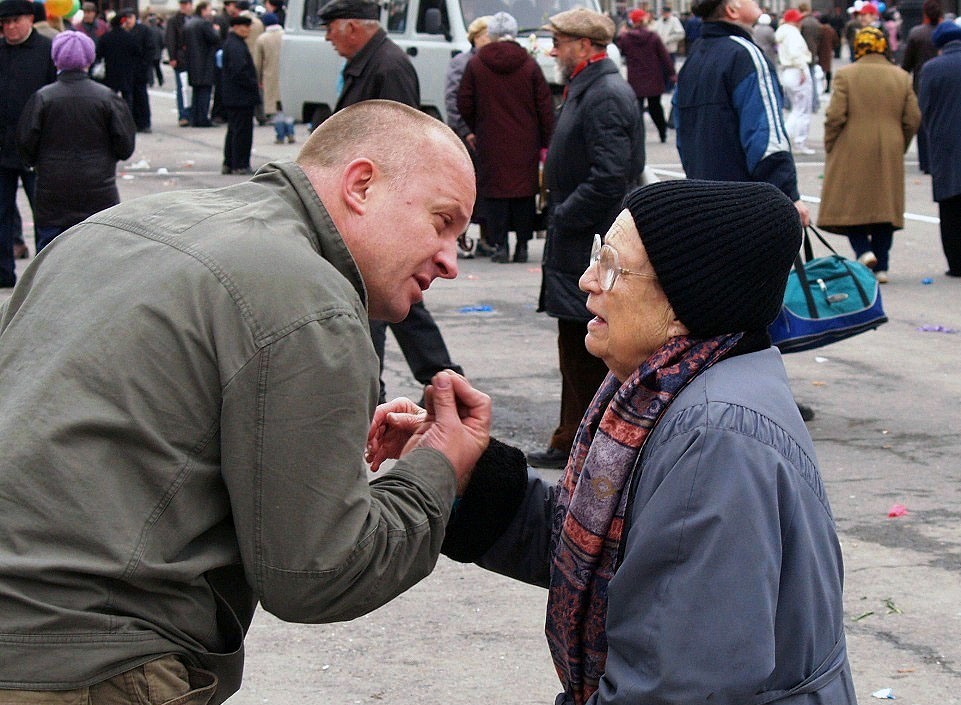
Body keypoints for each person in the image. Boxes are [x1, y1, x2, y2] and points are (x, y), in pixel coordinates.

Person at [0, 100, 489, 705]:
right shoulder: (311, 301)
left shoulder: (114, 229)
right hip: (87, 668)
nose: (450, 260)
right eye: (443, 222)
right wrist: (437, 467)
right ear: (361, 184)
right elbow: (317, 575)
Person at [367, 179, 858, 705]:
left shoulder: (714, 442)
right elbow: (602, 548)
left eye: (611, 266)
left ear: (683, 301)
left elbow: (678, 688)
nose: (586, 280)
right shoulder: (666, 388)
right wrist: (465, 468)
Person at [318, 0, 465, 404]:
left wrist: (383, 197)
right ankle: (441, 378)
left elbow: (400, 141)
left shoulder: (388, 65)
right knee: (399, 296)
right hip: (364, 197)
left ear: (351, 27)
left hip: (377, 204)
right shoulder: (371, 62)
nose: (328, 37)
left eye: (330, 27)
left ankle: (373, 390)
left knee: (379, 295)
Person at [528, 7, 643, 469]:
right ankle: (572, 436)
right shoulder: (588, 88)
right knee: (575, 344)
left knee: (587, 345)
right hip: (577, 236)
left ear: (584, 45)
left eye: (560, 42)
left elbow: (610, 175)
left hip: (587, 239)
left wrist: (564, 215)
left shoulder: (606, 93)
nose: (553, 51)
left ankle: (586, 439)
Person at [674, 0, 810, 227]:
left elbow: (682, 134)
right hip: (749, 204)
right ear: (732, 9)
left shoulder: (695, 57)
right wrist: (789, 195)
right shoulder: (745, 55)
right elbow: (766, 138)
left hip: (704, 199)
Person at [817, 26, 919, 284]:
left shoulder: (846, 75)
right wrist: (900, 143)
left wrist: (830, 142)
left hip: (852, 145)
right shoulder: (901, 76)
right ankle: (882, 265)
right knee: (885, 208)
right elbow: (912, 118)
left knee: (850, 205)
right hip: (890, 146)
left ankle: (863, 250)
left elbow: (836, 115)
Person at [16, 30, 135, 250]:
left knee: (50, 257)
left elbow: (26, 144)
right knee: (97, 254)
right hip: (99, 190)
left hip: (52, 192)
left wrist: (38, 162)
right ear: (89, 60)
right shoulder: (107, 97)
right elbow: (125, 145)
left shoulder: (43, 97)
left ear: (56, 59)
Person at [457, 11, 553, 264]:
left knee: (495, 194)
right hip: (525, 140)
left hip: (490, 138)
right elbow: (544, 104)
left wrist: (475, 126)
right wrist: (546, 140)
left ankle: (500, 245)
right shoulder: (529, 64)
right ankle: (522, 245)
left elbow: (463, 101)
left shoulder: (476, 64)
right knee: (523, 193)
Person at [0, 0, 55, 288]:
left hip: (37, 150)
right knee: (1, 213)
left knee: (43, 215)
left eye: (15, 20)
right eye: (4, 22)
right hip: (2, 149)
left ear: (30, 19)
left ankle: (41, 278)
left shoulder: (46, 51)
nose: (9, 27)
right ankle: (2, 273)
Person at [444, 14, 494, 258]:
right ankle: (460, 235)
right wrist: (465, 131)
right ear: (475, 37)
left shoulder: (490, 61)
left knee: (485, 189)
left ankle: (486, 236)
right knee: (462, 188)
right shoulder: (462, 62)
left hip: (485, 135)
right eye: (485, 34)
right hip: (465, 137)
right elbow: (453, 101)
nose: (489, 39)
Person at [917, 20, 961, 277]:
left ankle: (956, 263)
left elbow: (923, 106)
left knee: (950, 206)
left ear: (940, 46)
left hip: (945, 143)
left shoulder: (933, 68)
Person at [616, 9, 675, 144]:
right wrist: (671, 74)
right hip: (653, 76)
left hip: (635, 78)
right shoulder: (653, 37)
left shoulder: (626, 38)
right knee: (655, 107)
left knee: (637, 109)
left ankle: (638, 137)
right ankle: (662, 132)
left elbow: (621, 50)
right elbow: (664, 57)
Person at [902, 0, 943, 174]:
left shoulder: (916, 34)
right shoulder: (944, 33)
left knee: (922, 122)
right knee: (941, 121)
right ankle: (938, 160)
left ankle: (925, 161)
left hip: (921, 83)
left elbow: (907, 63)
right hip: (942, 83)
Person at [220, 15, 260, 175]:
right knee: (241, 131)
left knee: (234, 130)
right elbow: (239, 71)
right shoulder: (236, 46)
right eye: (246, 26)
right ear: (237, 27)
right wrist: (252, 84)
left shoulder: (232, 43)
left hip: (234, 96)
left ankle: (229, 162)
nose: (249, 30)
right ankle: (240, 164)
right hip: (240, 96)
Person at [776, 8, 815, 155]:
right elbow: (795, 53)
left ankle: (785, 139)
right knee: (802, 110)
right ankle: (799, 142)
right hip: (797, 70)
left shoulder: (783, 33)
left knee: (796, 109)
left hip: (787, 71)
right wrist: (803, 69)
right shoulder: (792, 34)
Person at [96, 10, 141, 119]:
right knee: (127, 97)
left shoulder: (105, 37)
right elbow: (137, 53)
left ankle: (110, 118)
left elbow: (98, 54)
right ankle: (127, 119)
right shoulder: (129, 37)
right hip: (126, 72)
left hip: (110, 72)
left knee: (110, 97)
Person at [254, 11, 290, 142]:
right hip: (287, 75)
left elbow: (257, 63)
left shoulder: (262, 39)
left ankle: (280, 135)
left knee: (276, 109)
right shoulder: (286, 36)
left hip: (270, 76)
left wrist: (257, 79)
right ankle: (290, 132)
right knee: (286, 107)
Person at [184, 0, 220, 127]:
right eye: (209, 9)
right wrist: (216, 30)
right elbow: (214, 38)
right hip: (205, 62)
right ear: (203, 10)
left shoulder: (189, 24)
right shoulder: (204, 24)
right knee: (205, 92)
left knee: (196, 93)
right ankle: (203, 118)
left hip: (193, 62)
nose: (211, 12)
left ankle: (195, 118)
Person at [165, 0, 194, 126]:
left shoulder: (192, 19)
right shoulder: (174, 21)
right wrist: (172, 57)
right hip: (181, 58)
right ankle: (184, 115)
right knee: (182, 88)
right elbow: (170, 39)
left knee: (191, 88)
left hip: (192, 58)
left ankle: (191, 113)